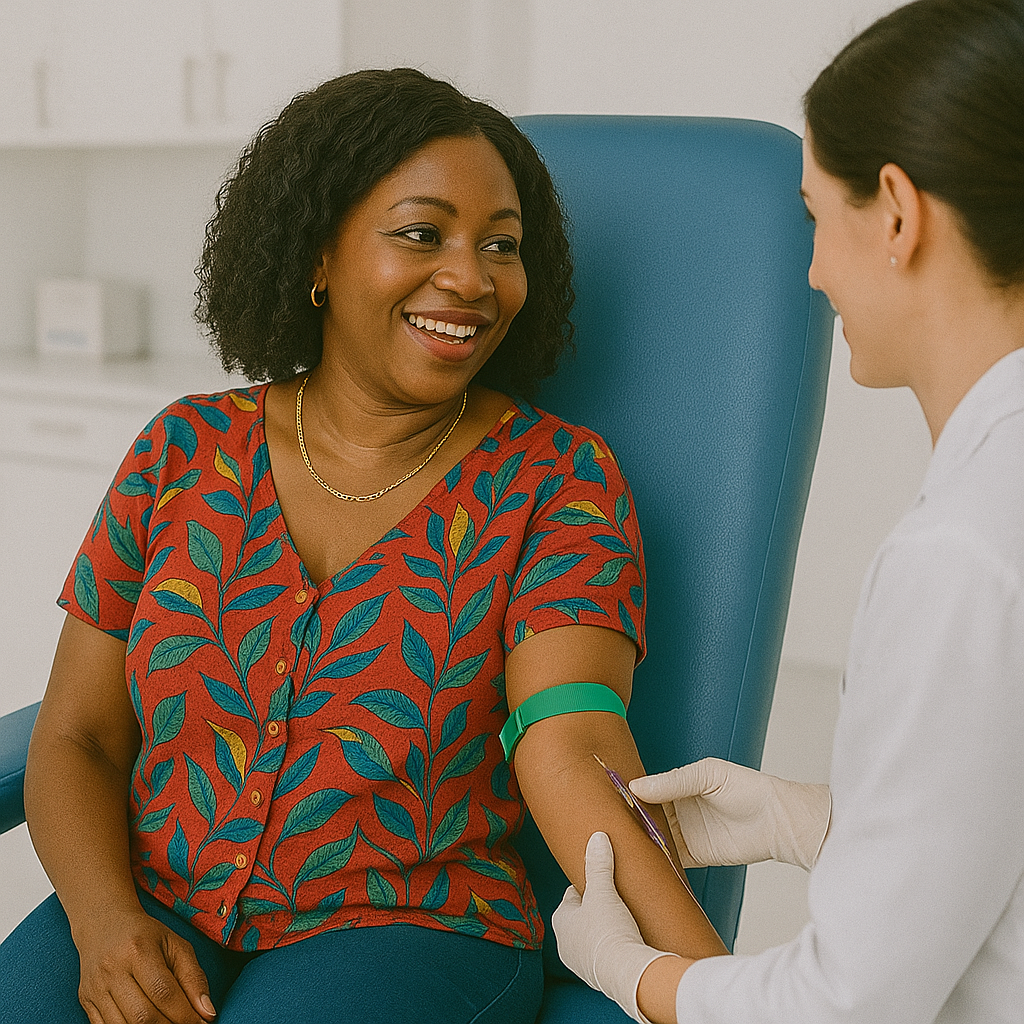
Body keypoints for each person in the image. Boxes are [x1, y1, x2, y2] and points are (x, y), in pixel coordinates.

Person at [0, 69, 724, 1024]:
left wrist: (731, 996)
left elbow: (576, 746)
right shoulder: (182, 451)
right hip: (152, 898)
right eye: (421, 234)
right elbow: (78, 735)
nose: (470, 278)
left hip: (411, 927)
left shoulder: (556, 481)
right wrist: (101, 924)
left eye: (500, 246)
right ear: (320, 255)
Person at [552, 1, 1024, 1021]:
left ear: (895, 213)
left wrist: (635, 976)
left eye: (817, 218)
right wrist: (806, 819)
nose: (809, 272)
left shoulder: (960, 556)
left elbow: (845, 1004)